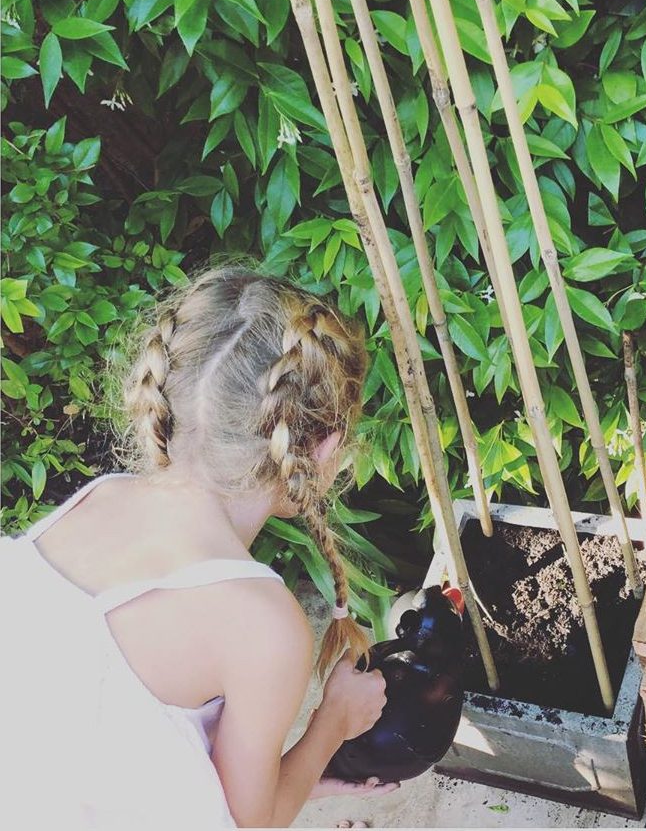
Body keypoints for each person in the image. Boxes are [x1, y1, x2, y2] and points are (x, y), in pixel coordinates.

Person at [0, 266, 399, 829]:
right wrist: (334, 720)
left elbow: (107, 737)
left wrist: (295, 778)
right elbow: (250, 823)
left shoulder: (97, 499)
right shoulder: (261, 623)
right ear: (326, 446)